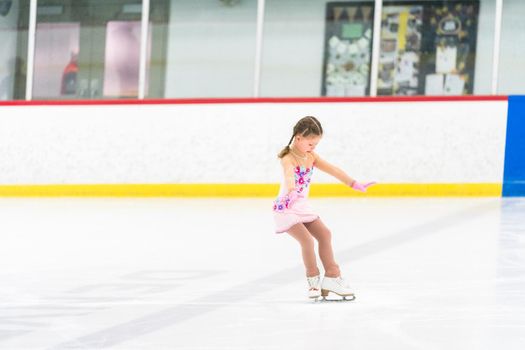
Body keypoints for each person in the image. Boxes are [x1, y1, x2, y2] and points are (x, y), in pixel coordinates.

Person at [273, 116, 375, 300]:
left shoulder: (311, 156)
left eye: (316, 144)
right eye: (311, 143)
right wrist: (292, 190)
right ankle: (313, 283)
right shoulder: (288, 157)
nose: (313, 147)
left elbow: (333, 169)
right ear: (298, 138)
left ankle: (332, 276)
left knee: (325, 234)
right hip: (287, 207)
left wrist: (353, 183)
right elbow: (289, 175)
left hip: (302, 206)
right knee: (307, 241)